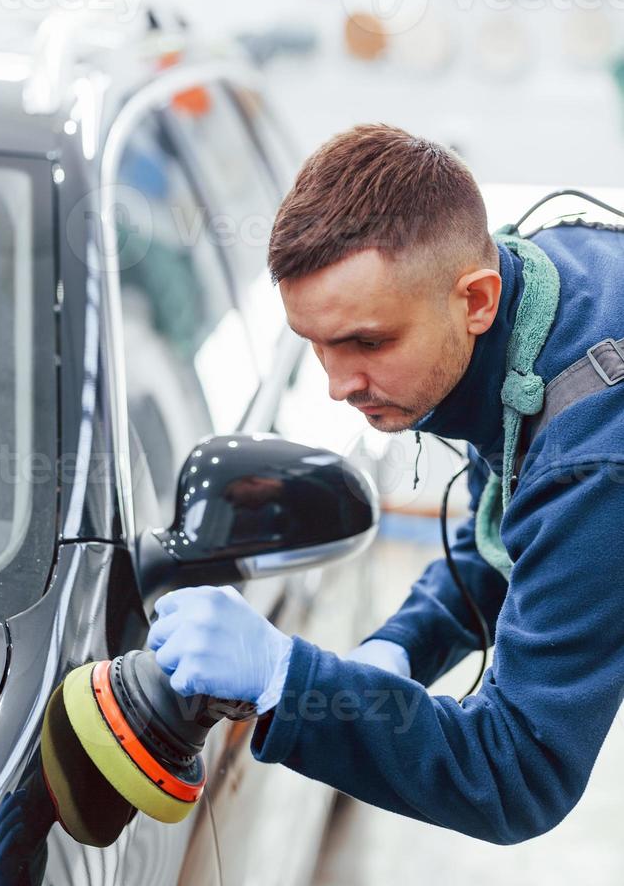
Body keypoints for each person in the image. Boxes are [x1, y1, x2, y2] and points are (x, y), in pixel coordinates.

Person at [147, 124, 624, 845]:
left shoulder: (592, 455)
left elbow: (519, 770)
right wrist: (405, 641)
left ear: (477, 300)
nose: (339, 385)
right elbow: (514, 531)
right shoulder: (541, 293)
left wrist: (289, 681)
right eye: (315, 344)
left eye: (368, 342)